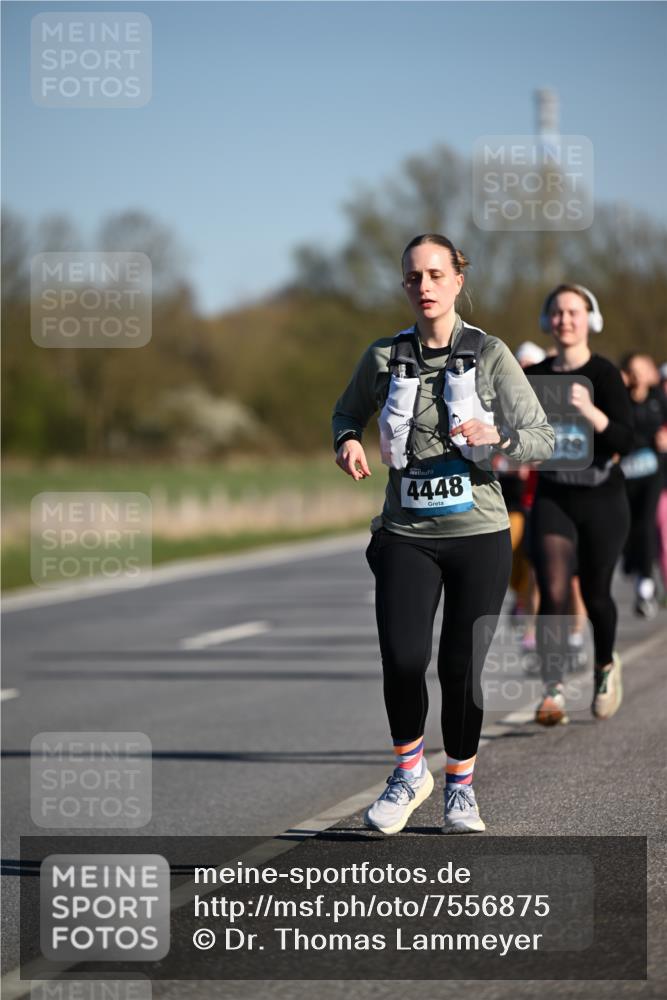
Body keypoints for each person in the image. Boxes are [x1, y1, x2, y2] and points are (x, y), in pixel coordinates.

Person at [332, 234, 554, 835]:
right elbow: (346, 412)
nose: (424, 286)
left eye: (435, 275)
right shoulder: (383, 356)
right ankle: (409, 773)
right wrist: (347, 441)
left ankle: (460, 786)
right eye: (413, 277)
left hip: (479, 533)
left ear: (458, 279)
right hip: (405, 532)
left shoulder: (492, 354)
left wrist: (498, 436)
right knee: (404, 658)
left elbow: (542, 436)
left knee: (460, 666)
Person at [525, 285, 634, 726]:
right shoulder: (535, 376)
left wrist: (590, 411)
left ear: (590, 319)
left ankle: (604, 665)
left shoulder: (604, 375)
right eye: (557, 312)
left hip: (602, 496)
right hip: (554, 494)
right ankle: (552, 689)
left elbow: (626, 440)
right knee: (552, 590)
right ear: (546, 321)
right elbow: (515, 428)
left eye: (574, 312)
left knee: (595, 595)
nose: (565, 319)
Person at [620, 352, 667, 618]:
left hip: (653, 474)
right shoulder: (621, 400)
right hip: (627, 476)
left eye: (642, 369)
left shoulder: (659, 399)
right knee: (628, 526)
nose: (638, 375)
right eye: (633, 370)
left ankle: (646, 584)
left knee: (646, 523)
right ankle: (634, 566)